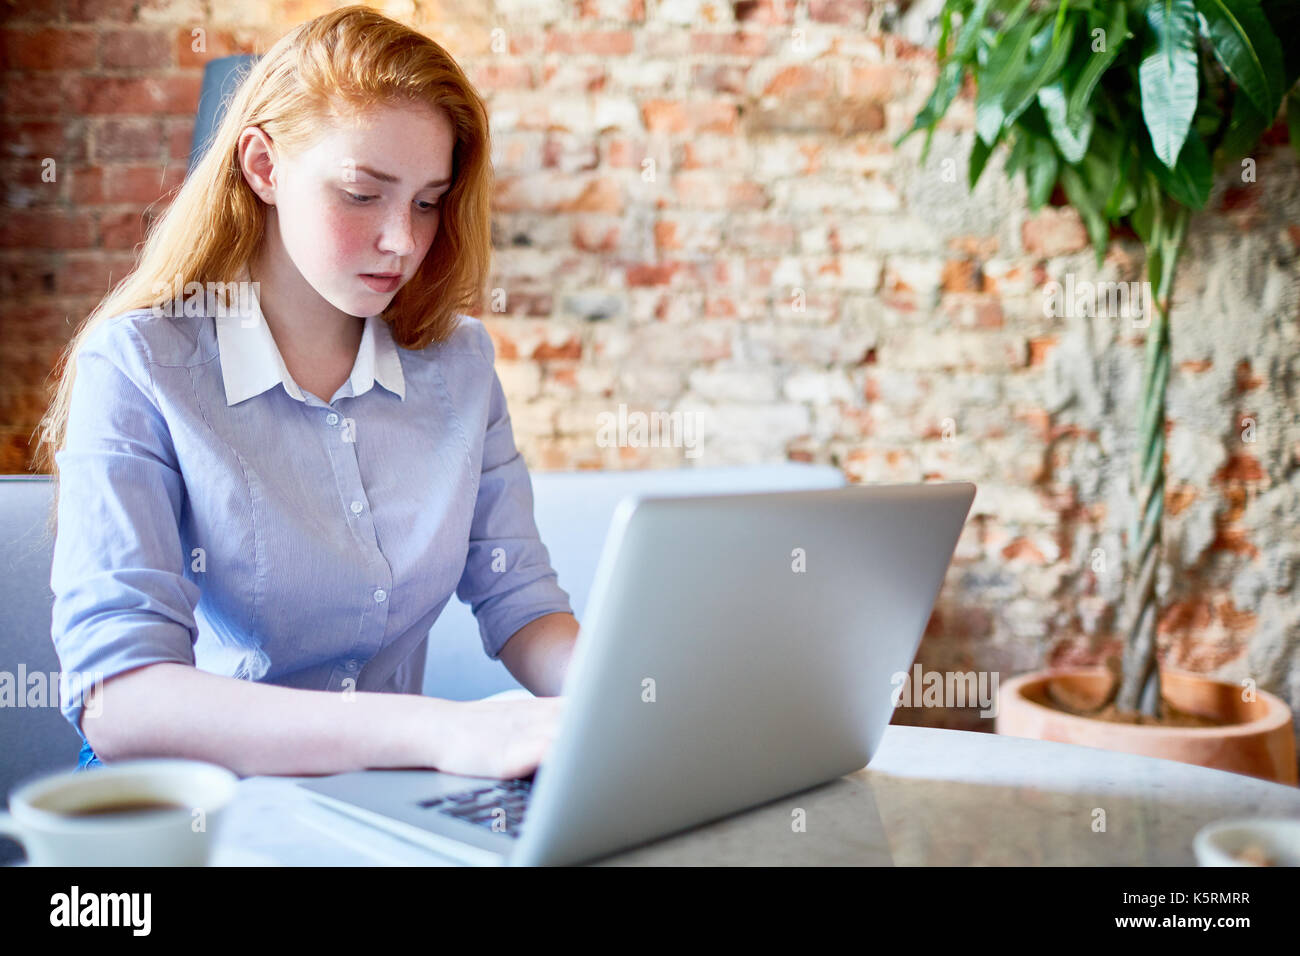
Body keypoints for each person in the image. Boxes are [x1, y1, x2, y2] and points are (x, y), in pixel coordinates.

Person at [35, 6, 580, 780]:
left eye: (428, 201)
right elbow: (121, 702)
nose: (403, 240)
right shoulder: (138, 363)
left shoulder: (459, 361)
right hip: (197, 804)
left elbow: (523, 604)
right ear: (263, 166)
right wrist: (439, 733)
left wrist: (626, 705)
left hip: (383, 800)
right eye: (363, 193)